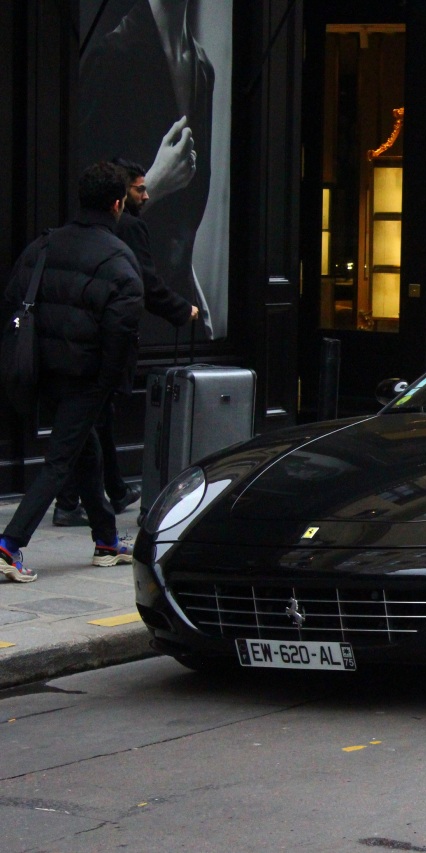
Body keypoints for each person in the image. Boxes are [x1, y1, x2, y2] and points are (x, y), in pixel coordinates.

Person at [0, 162, 144, 583]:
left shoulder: (44, 245)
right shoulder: (119, 258)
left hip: (43, 369)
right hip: (88, 376)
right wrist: (113, 384)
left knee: (86, 449)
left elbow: (13, 298)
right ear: (118, 204)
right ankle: (10, 544)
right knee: (61, 458)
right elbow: (122, 328)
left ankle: (105, 540)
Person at [52, 158, 199, 527]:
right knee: (90, 424)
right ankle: (72, 504)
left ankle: (107, 494)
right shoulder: (127, 230)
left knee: (93, 423)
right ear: (119, 198)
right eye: (138, 189)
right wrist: (182, 311)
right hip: (102, 342)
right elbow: (143, 285)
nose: (146, 196)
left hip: (74, 340)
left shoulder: (71, 234)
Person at [78, 0, 215, 340]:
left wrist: (195, 295)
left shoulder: (202, 68)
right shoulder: (112, 56)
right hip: (119, 299)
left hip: (176, 307)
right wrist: (153, 184)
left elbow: (180, 222)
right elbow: (85, 213)